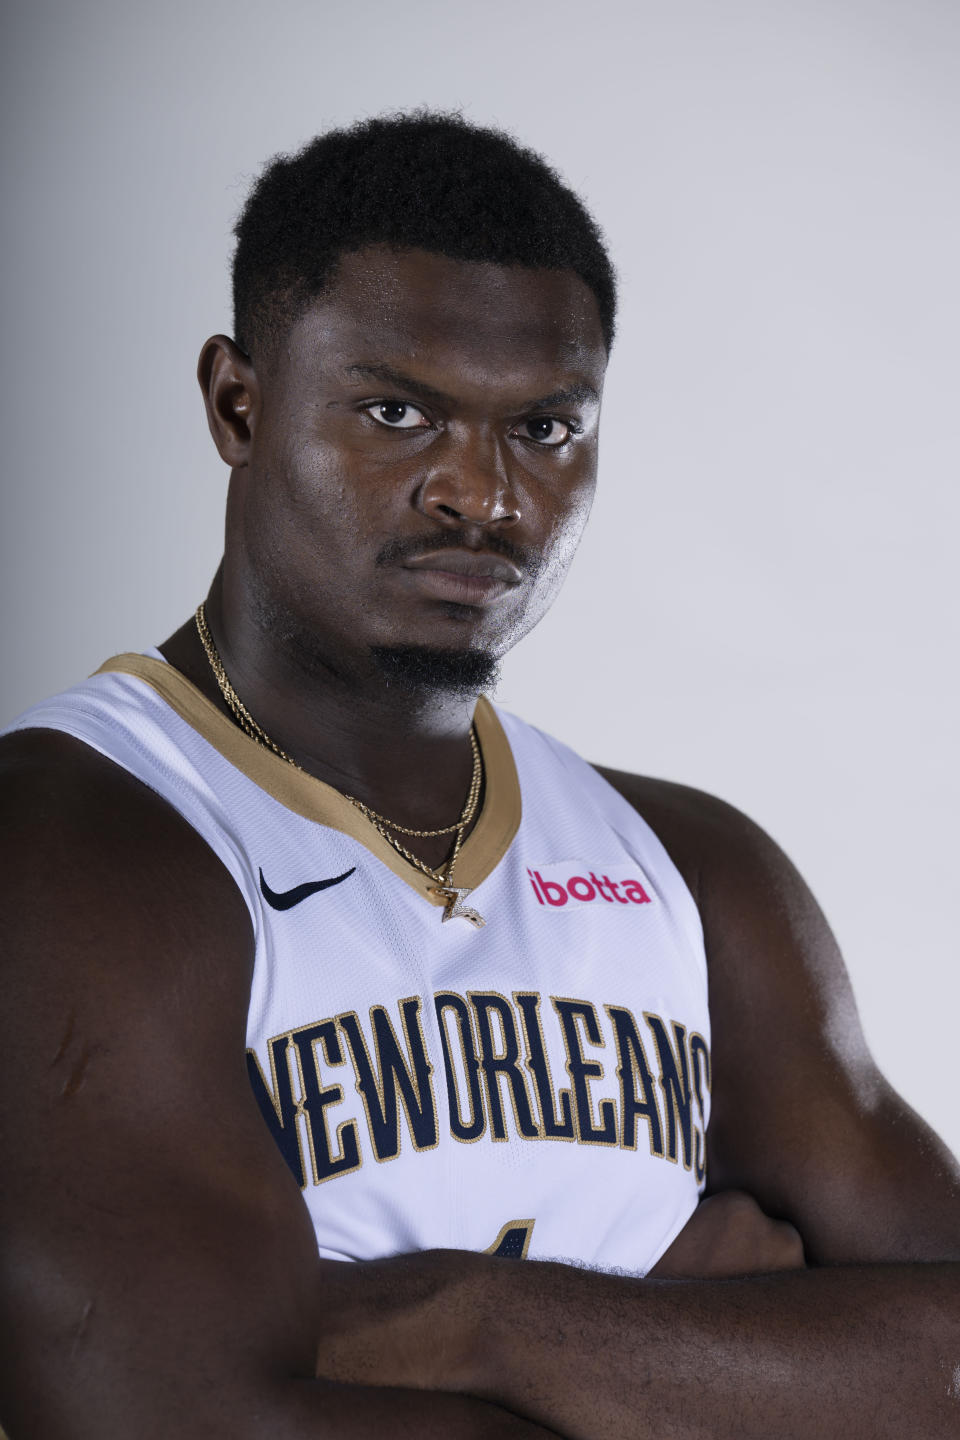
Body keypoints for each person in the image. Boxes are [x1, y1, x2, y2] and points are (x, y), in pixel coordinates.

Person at [0, 111, 958, 1440]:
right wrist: (733, 1368)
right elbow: (164, 1419)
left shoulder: (694, 870)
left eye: (547, 429)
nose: (484, 496)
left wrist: (479, 1320)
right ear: (238, 401)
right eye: (398, 412)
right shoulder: (78, 845)